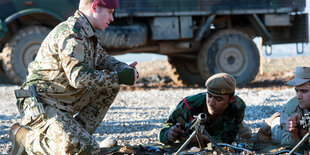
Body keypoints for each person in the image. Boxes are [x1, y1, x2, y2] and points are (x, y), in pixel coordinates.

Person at [9, 0, 139, 154]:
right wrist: (119, 77)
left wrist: (123, 68)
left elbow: (103, 59)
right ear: (94, 7)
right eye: (110, 12)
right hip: (42, 104)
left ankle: (74, 136)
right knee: (83, 149)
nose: (112, 19)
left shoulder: (87, 32)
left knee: (110, 86)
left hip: (62, 101)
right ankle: (26, 140)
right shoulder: (72, 34)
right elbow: (79, 78)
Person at [158, 73, 251, 145]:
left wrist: (207, 139)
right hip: (187, 119)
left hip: (220, 126)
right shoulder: (189, 105)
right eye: (209, 96)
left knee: (246, 135)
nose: (211, 103)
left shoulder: (237, 106)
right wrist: (169, 135)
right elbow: (164, 130)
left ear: (231, 99)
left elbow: (229, 137)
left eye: (218, 99)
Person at [258, 67, 310, 153]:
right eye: (297, 91)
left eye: (304, 91)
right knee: (278, 133)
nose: (298, 96)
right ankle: (274, 121)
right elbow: (287, 146)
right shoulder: (292, 109)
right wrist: (293, 134)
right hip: (283, 130)